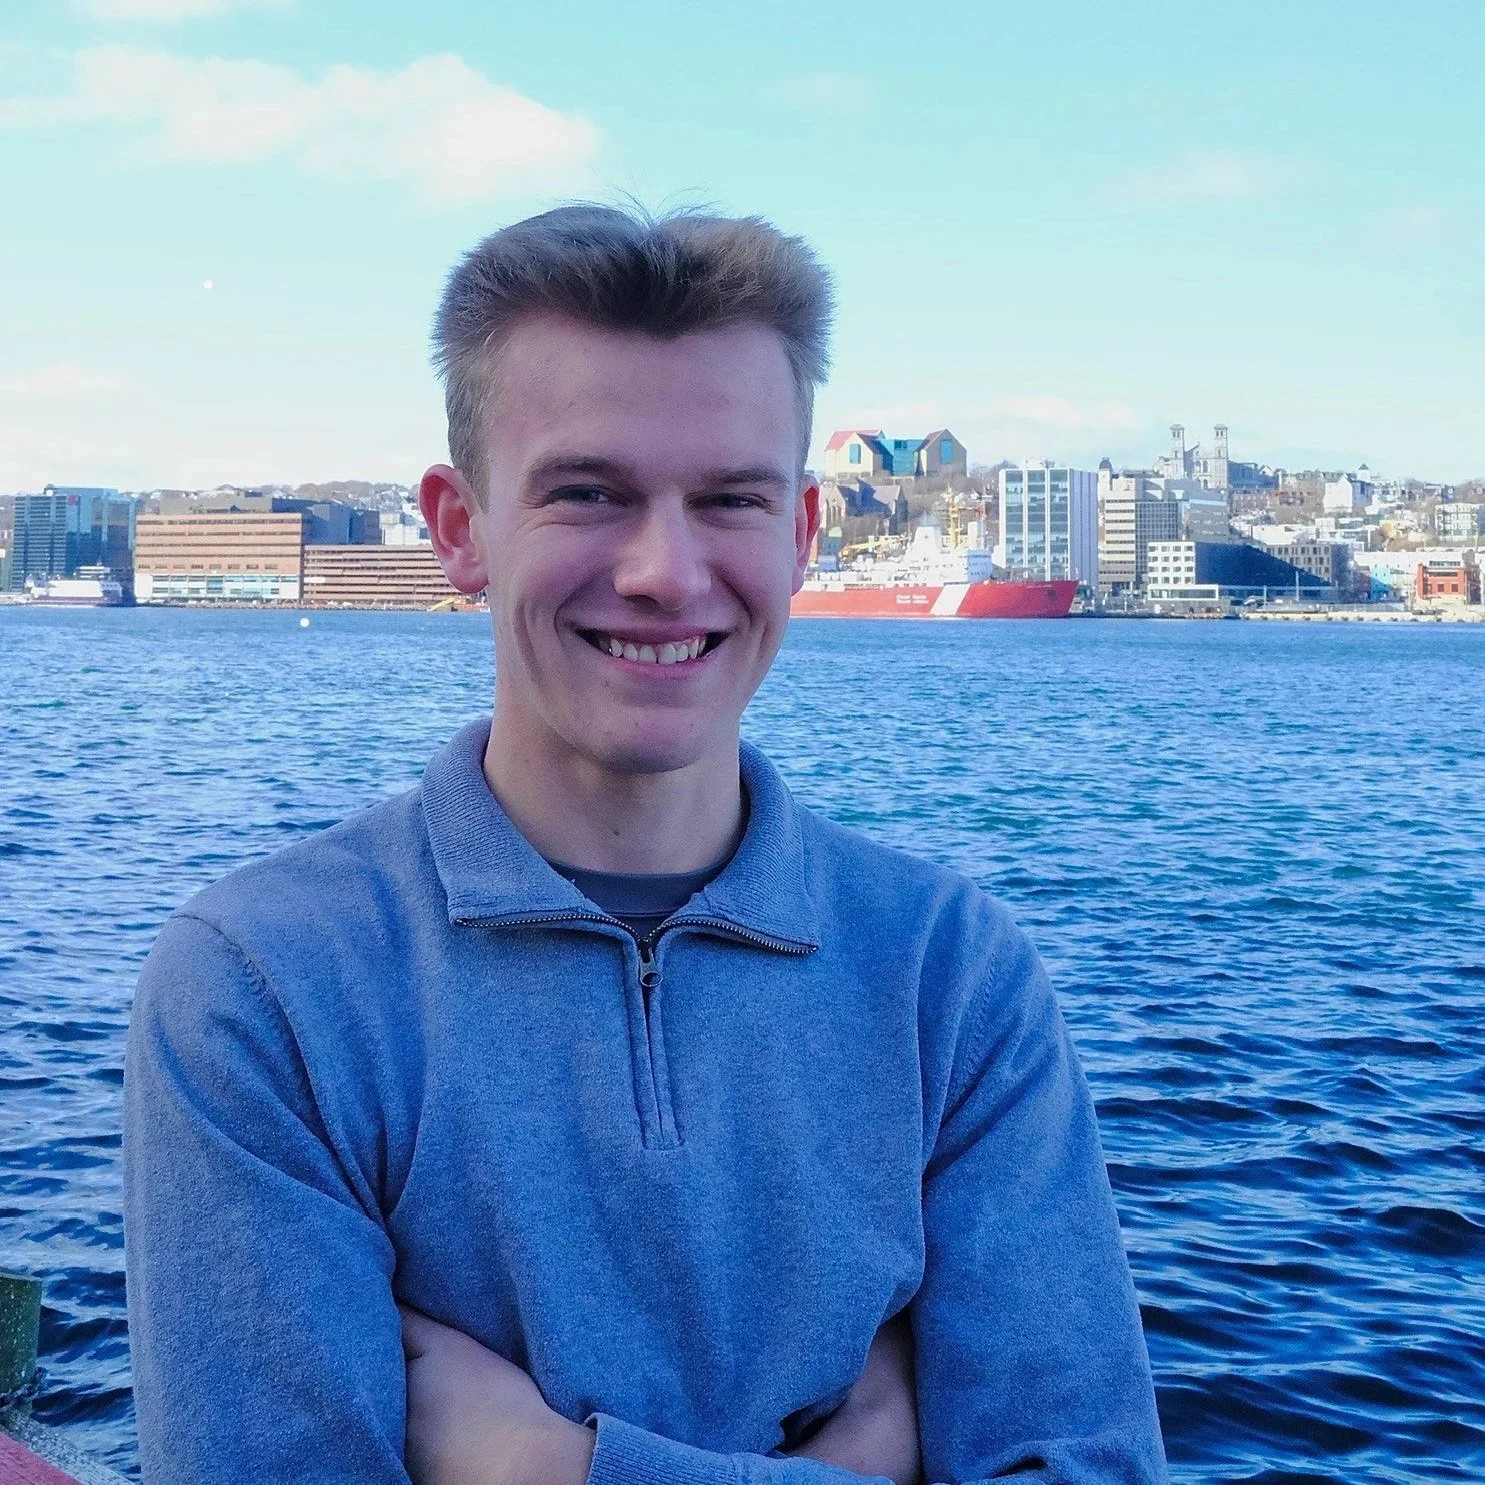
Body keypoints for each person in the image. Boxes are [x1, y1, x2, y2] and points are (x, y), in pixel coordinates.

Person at [123, 205, 1167, 1484]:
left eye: (731, 498)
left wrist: (550, 1470)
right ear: (461, 528)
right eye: (589, 493)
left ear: (799, 534)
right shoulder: (267, 986)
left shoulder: (952, 977)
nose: (668, 572)